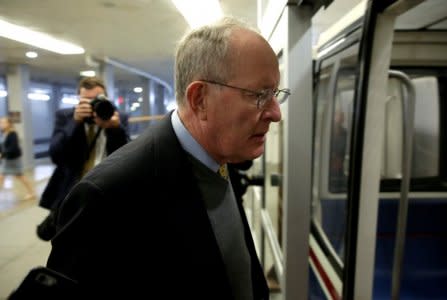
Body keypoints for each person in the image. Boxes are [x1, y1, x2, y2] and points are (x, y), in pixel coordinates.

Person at [40, 17, 290, 299]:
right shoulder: (107, 196)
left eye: (276, 94)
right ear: (200, 99)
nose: (275, 112)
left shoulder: (220, 155)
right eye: (260, 95)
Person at [35, 76, 130, 241]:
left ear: (106, 98)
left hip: (108, 190)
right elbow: (56, 154)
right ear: (79, 100)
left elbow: (128, 156)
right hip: (74, 192)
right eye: (87, 100)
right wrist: (74, 122)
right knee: (70, 241)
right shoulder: (66, 116)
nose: (93, 105)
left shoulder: (116, 116)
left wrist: (116, 129)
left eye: (98, 99)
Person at [0, 117, 36, 200]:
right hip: (7, 159)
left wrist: (2, 155)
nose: (1, 124)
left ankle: (32, 192)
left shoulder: (13, 133)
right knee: (2, 177)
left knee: (21, 176)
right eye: (0, 122)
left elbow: (13, 148)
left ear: (9, 124)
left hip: (14, 160)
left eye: (3, 122)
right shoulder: (4, 133)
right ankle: (32, 192)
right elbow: (2, 146)